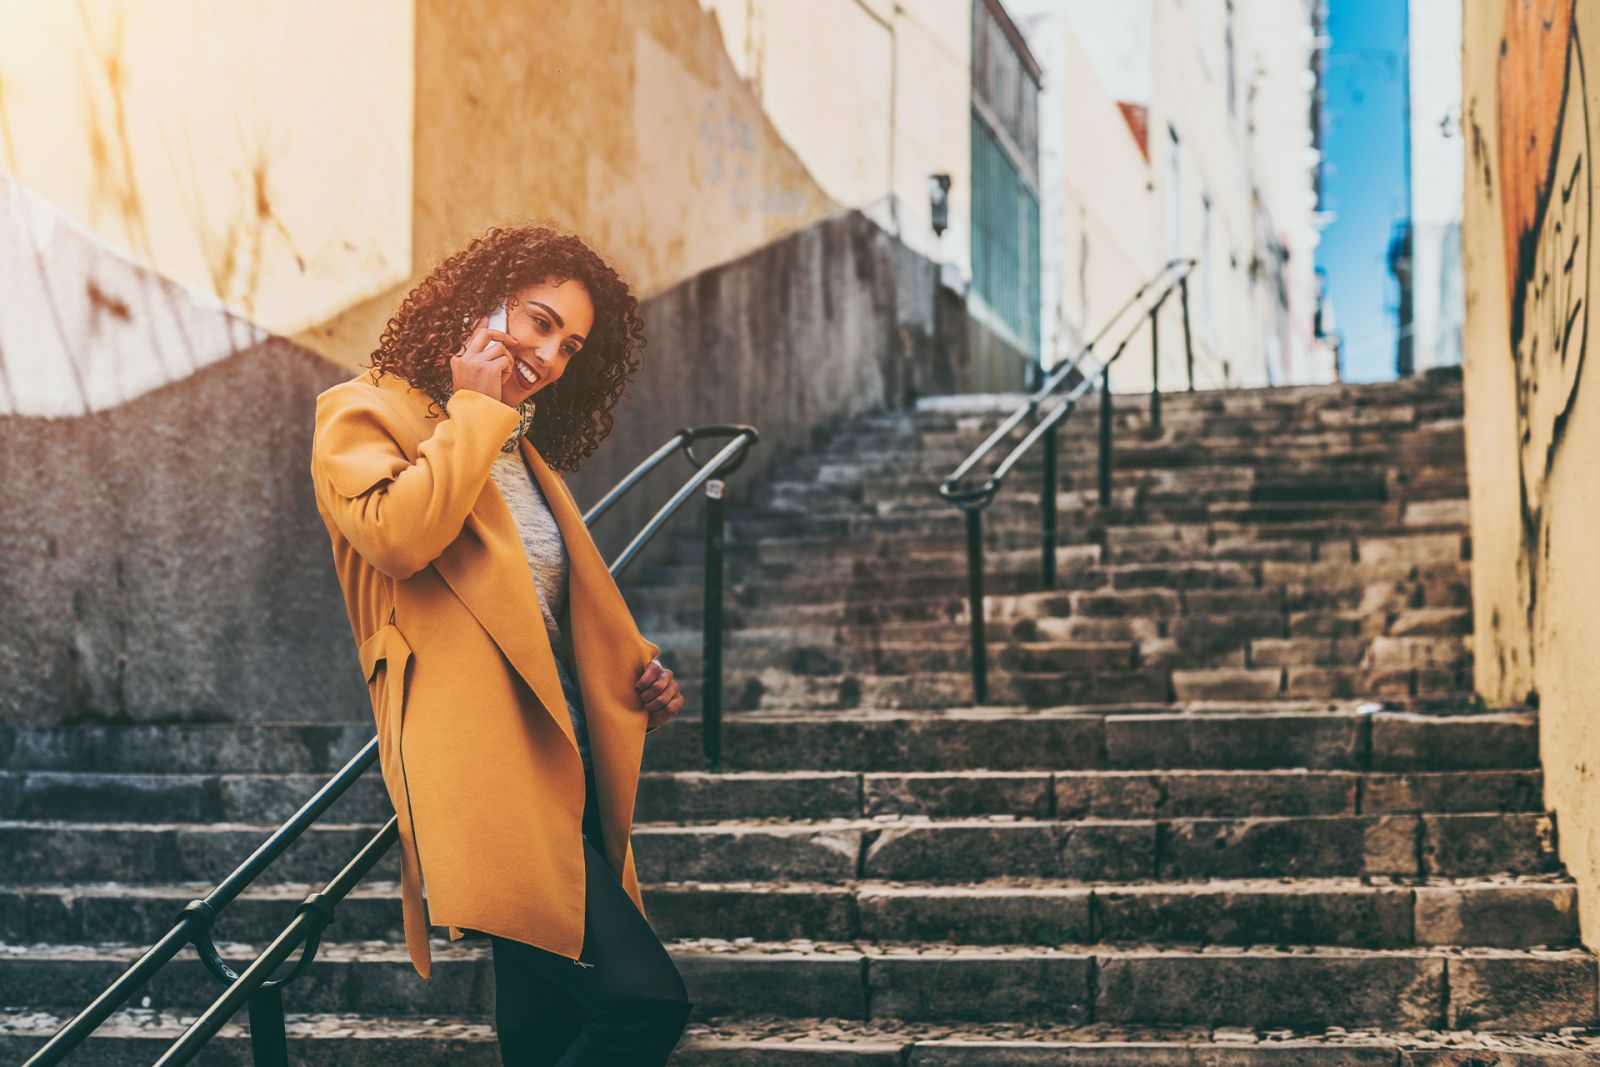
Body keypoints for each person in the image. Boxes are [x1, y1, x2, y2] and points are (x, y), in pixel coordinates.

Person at [308, 223, 693, 1065]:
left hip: (566, 755)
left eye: (570, 344)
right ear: (477, 300)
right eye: (538, 320)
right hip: (486, 768)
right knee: (645, 1002)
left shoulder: (518, 448)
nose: (551, 355)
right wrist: (476, 408)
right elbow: (400, 537)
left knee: (542, 1033)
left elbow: (538, 614)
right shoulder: (363, 413)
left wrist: (636, 675)